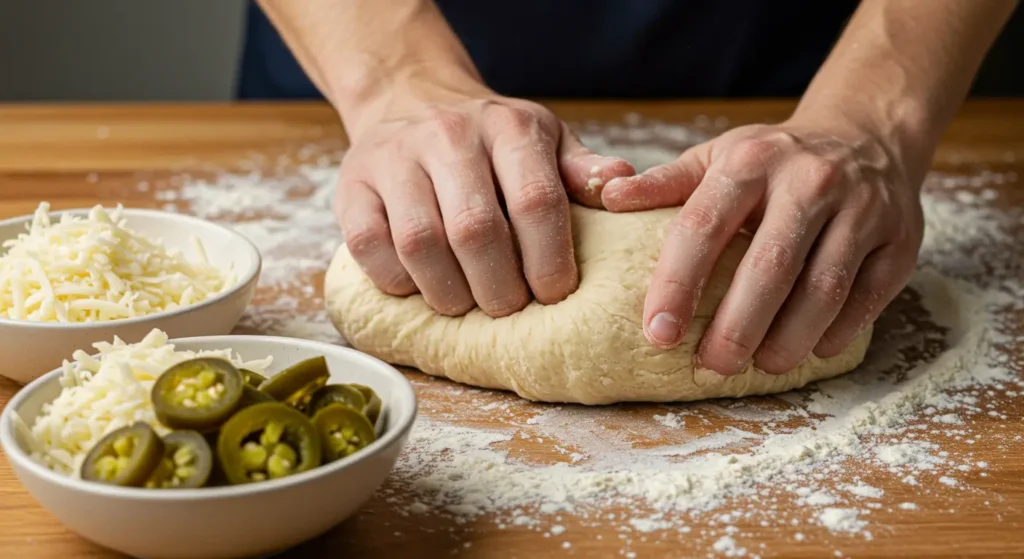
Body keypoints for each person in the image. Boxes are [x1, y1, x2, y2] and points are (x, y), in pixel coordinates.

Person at [240, 0, 1017, 376]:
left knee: (816, 252)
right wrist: (393, 82)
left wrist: (878, 107)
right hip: (364, 53)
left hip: (817, 47)